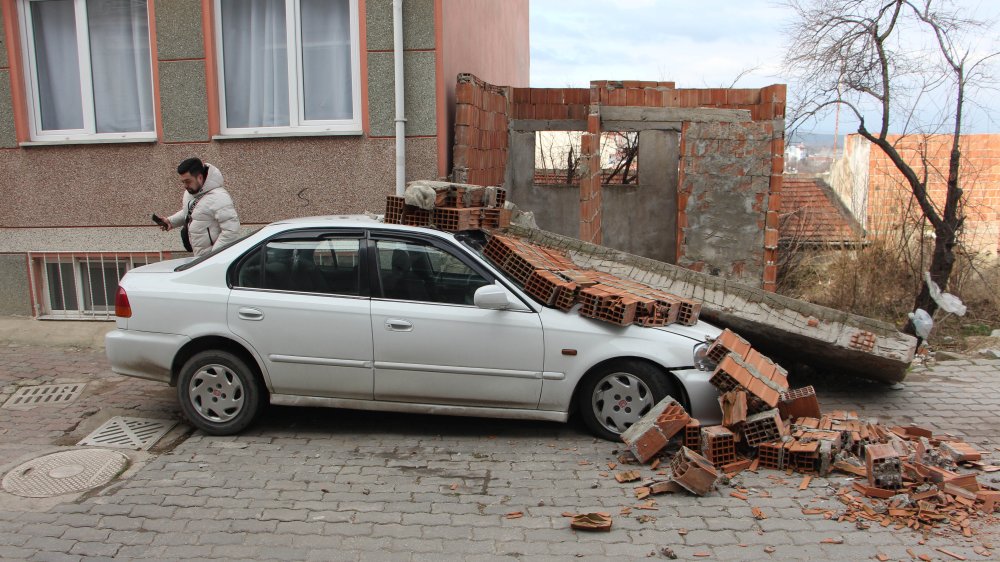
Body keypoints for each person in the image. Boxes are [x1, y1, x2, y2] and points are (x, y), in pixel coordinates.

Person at [159, 158, 241, 257]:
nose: (185, 186)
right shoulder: (191, 193)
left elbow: (231, 231)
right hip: (200, 258)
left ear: (200, 177)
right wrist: (170, 221)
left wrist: (213, 256)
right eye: (183, 182)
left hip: (213, 261)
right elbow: (192, 212)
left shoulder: (219, 197)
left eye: (188, 181)